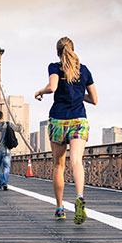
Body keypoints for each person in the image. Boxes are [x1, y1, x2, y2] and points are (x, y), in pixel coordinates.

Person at [34, 37, 98, 224]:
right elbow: (94, 99)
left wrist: (39, 91)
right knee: (77, 160)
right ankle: (79, 196)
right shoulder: (84, 70)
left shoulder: (54, 67)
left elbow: (53, 87)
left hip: (59, 120)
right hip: (79, 119)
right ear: (73, 49)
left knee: (59, 165)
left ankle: (60, 208)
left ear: (57, 52)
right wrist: (78, 94)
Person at [0, 110, 21, 191]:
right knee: (7, 167)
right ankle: (4, 182)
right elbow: (18, 129)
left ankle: (0, 184)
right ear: (2, 116)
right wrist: (19, 124)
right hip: (6, 149)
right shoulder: (8, 124)